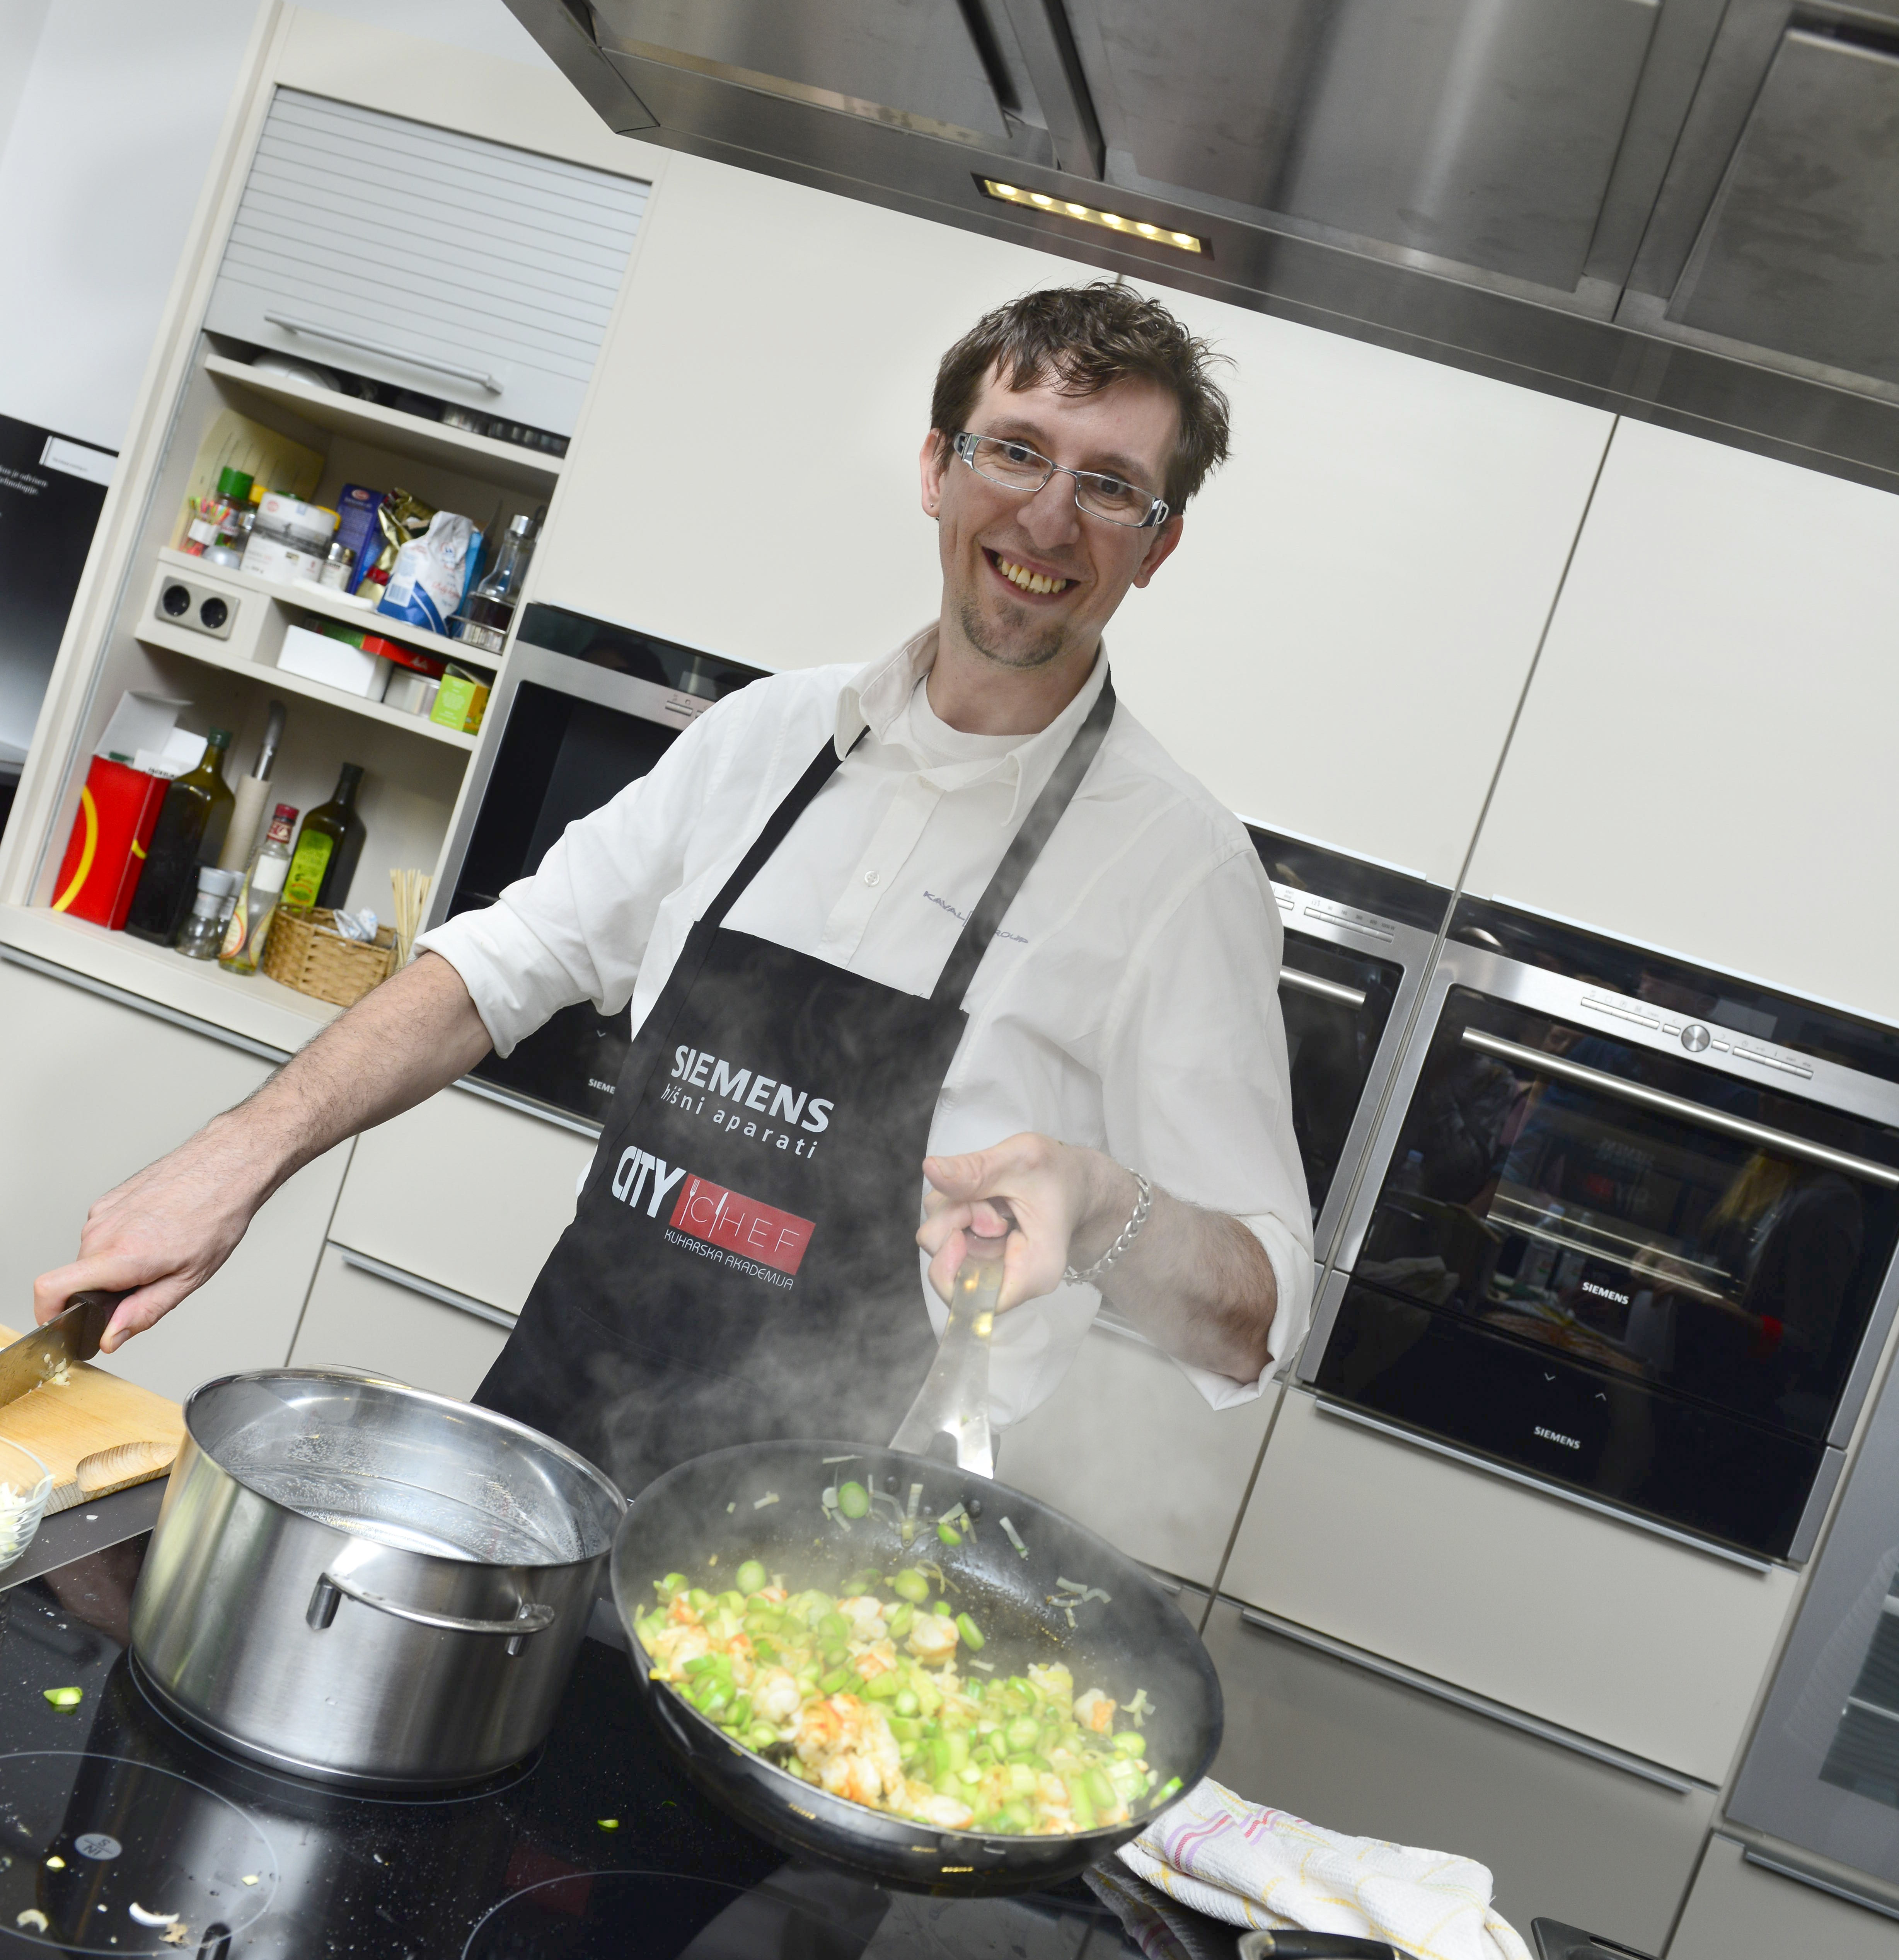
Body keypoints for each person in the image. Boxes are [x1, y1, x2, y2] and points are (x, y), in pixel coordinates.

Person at [36, 283, 1313, 1492]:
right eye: (1017, 452)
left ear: (1158, 546)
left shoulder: (1180, 873)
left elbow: (1258, 1316)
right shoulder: (768, 735)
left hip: (828, 1544)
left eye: (1111, 487)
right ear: (938, 468)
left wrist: (1103, 1206)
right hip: (550, 1436)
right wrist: (237, 1158)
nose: (1049, 518)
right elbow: (506, 961)